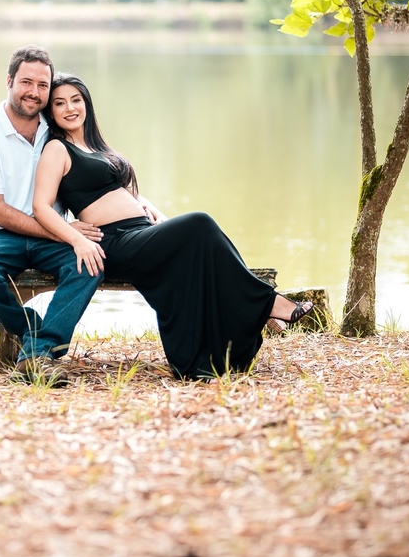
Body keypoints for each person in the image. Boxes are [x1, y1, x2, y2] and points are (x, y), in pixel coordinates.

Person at [32, 72, 314, 381]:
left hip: (140, 233)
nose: (70, 108)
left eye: (76, 100)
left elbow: (122, 191)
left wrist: (152, 209)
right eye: (60, 103)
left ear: (86, 103)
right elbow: (41, 207)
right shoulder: (57, 149)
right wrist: (77, 238)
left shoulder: (96, 146)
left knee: (203, 251)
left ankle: (224, 342)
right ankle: (267, 302)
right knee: (200, 223)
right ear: (51, 112)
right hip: (112, 241)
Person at [0, 46, 105, 385]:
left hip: (51, 233)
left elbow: (99, 163)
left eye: (43, 85)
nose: (35, 92)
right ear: (9, 81)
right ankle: (39, 341)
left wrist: (139, 201)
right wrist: (65, 232)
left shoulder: (56, 129)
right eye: (26, 82)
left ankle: (35, 355)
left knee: (91, 263)